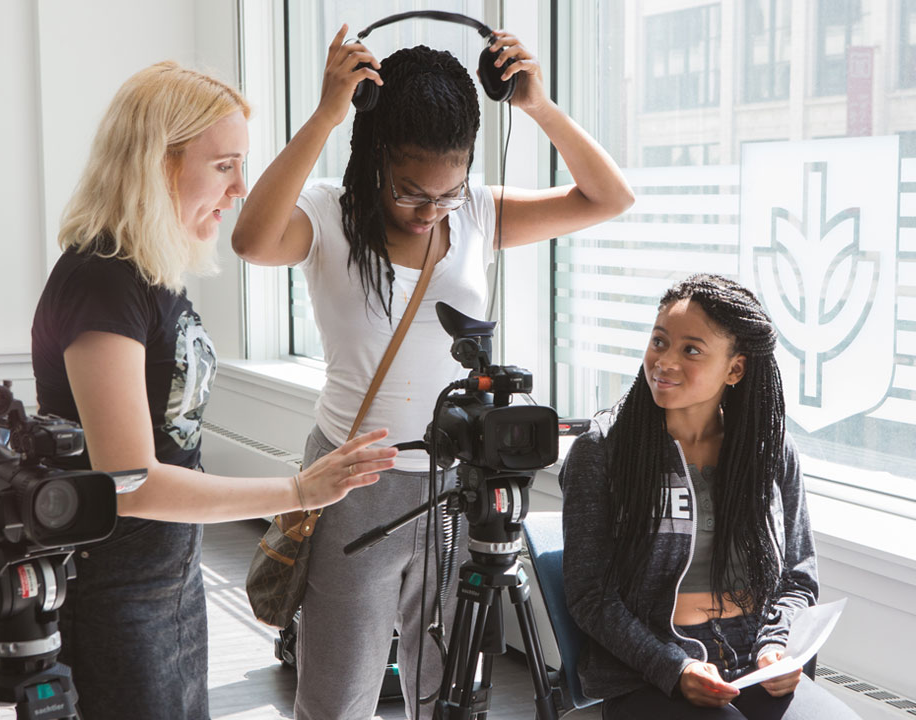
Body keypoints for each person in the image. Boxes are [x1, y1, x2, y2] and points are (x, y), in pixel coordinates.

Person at [232, 23, 634, 720]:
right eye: (413, 191)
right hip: (354, 481)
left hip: (461, 485)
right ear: (374, 154)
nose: (431, 212)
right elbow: (252, 239)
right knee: (337, 696)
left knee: (450, 693)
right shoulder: (331, 214)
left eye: (448, 193)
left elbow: (609, 199)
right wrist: (327, 112)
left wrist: (538, 107)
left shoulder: (477, 214)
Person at [30, 61, 397, 720]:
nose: (240, 189)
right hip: (114, 586)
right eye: (224, 165)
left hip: (168, 573)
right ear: (156, 163)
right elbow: (133, 481)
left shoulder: (150, 273)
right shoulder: (101, 282)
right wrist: (296, 490)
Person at [560, 274, 861, 719]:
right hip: (651, 671)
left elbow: (798, 578)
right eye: (659, 341)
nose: (664, 361)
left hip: (756, 660)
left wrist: (777, 646)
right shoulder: (604, 451)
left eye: (691, 350)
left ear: (735, 368)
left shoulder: (769, 450)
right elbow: (591, 596)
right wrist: (674, 667)